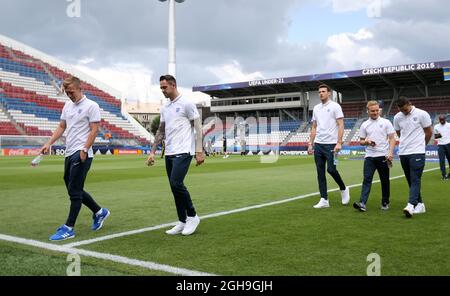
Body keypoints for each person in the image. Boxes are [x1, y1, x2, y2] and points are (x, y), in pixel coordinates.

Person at [40, 76, 110, 241]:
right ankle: (100, 212)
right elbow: (62, 126)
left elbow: (94, 130)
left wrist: (85, 149)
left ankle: (68, 228)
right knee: (73, 188)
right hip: (69, 152)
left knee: (74, 192)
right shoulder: (67, 105)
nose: (69, 95)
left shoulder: (92, 106)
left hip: (82, 152)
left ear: (79, 88)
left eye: (71, 92)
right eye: (66, 92)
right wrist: (49, 143)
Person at [147, 75, 204, 236]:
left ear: (173, 85)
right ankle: (182, 220)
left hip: (184, 150)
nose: (162, 90)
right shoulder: (165, 108)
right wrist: (152, 151)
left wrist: (199, 151)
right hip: (170, 152)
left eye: (164, 87)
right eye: (161, 88)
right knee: (174, 187)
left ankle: (192, 216)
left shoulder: (186, 104)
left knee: (176, 183)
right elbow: (161, 130)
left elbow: (198, 127)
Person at [308, 84, 350, 208]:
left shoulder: (335, 106)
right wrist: (311, 143)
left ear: (329, 93)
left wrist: (339, 142)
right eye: (319, 92)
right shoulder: (316, 108)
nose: (321, 93)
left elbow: (341, 125)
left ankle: (343, 188)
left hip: (332, 144)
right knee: (320, 172)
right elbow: (314, 127)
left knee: (331, 169)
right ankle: (324, 199)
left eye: (323, 91)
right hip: (319, 144)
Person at [353, 101, 396, 212]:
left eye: (377, 110)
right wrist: (366, 141)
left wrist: (390, 152)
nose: (375, 112)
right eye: (373, 111)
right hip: (369, 156)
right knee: (367, 179)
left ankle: (385, 202)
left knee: (384, 180)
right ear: (368, 111)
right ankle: (362, 203)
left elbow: (392, 138)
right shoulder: (364, 124)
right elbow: (361, 141)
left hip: (383, 156)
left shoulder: (386, 122)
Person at [393, 97, 432, 217]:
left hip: (417, 151)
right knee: (410, 179)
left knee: (415, 178)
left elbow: (428, 132)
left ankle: (411, 205)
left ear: (409, 104)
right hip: (404, 152)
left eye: (405, 109)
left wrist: (422, 145)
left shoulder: (422, 114)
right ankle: (420, 204)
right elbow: (399, 133)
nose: (404, 112)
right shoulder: (397, 117)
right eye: (401, 110)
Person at [434, 114, 450, 180]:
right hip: (441, 145)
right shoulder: (436, 126)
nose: (441, 121)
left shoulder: (449, 125)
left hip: (449, 144)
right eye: (440, 120)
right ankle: (444, 175)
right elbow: (437, 137)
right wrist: (438, 141)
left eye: (443, 120)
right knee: (441, 161)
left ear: (445, 119)